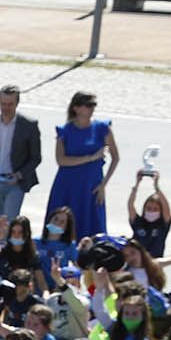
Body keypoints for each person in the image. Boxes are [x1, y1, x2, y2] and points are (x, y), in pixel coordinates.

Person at [47, 92, 118, 240]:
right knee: (61, 226)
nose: (92, 108)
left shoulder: (102, 128)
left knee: (93, 227)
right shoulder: (64, 131)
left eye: (94, 105)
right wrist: (91, 158)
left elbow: (115, 158)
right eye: (88, 105)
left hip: (92, 185)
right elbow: (61, 160)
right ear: (76, 108)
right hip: (67, 184)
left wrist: (104, 185)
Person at [0, 85, 42, 235]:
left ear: (17, 103)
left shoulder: (29, 125)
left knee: (9, 225)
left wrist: (19, 175)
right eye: (3, 104)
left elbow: (35, 158)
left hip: (15, 183)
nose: (6, 108)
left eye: (10, 104)